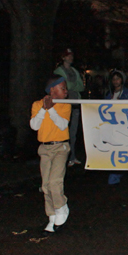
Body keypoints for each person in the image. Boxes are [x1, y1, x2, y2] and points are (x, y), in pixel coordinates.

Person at [30, 75, 72, 233]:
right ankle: (52, 215)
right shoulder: (37, 104)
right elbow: (34, 126)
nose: (66, 91)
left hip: (60, 147)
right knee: (46, 185)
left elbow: (62, 125)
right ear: (52, 89)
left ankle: (61, 207)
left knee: (55, 181)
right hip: (45, 149)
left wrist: (51, 109)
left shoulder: (65, 105)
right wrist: (43, 109)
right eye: (63, 88)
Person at [54, 48, 85, 167]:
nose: (70, 57)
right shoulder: (59, 71)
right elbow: (65, 86)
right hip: (64, 104)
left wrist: (72, 85)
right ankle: (63, 157)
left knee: (73, 132)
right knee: (63, 131)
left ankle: (72, 156)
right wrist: (72, 85)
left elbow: (81, 86)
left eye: (71, 55)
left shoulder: (74, 71)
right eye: (68, 55)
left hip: (75, 104)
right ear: (63, 57)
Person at [105, 69, 128, 187]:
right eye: (113, 79)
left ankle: (117, 174)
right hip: (111, 127)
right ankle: (115, 173)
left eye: (118, 79)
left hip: (123, 127)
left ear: (122, 80)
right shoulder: (109, 94)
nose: (115, 81)